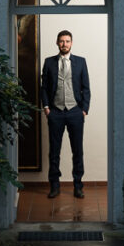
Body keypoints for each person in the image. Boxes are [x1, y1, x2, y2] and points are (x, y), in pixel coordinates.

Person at [40, 29, 90, 199]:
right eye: (61, 41)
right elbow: (44, 88)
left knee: (78, 150)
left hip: (75, 112)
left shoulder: (81, 62)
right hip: (55, 112)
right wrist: (46, 107)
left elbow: (86, 88)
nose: (64, 44)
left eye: (67, 41)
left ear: (72, 43)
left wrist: (84, 109)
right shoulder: (48, 62)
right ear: (57, 43)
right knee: (54, 151)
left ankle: (78, 186)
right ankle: (54, 185)